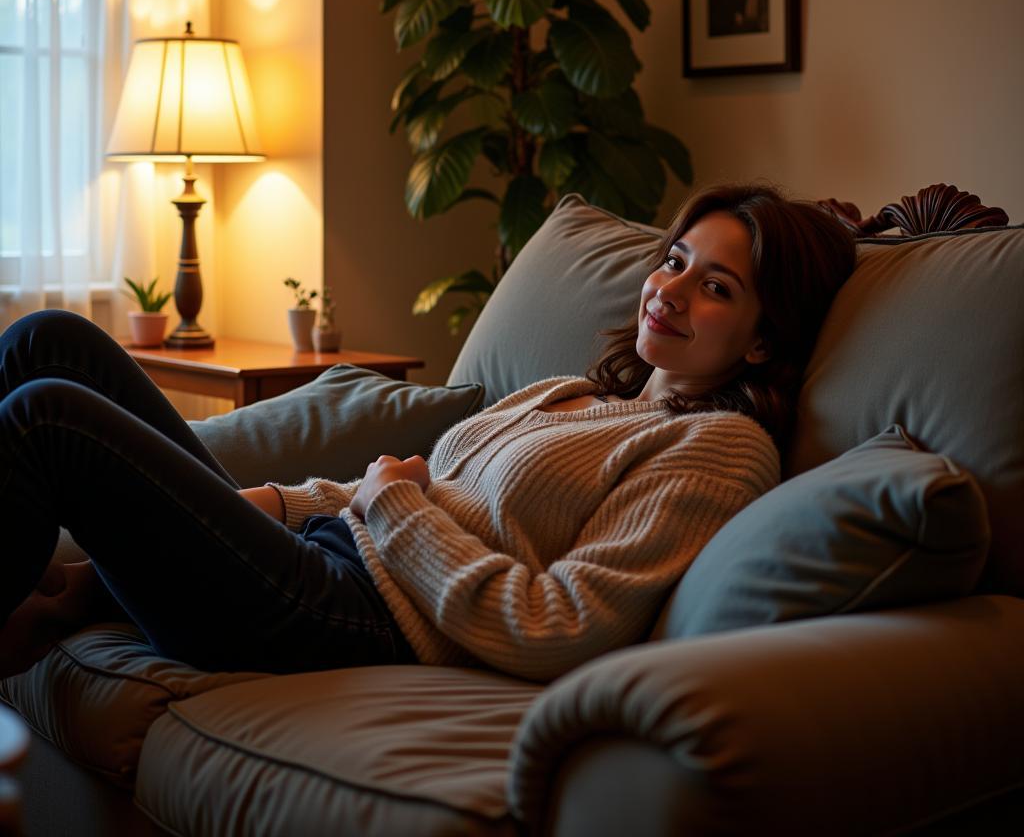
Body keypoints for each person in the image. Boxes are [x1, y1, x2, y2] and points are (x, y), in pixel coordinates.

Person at [0, 184, 856, 684]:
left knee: (48, 416)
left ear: (763, 338)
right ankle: (70, 598)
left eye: (716, 287)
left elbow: (561, 624)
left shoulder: (720, 446)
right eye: (672, 261)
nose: (668, 292)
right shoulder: (575, 393)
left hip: (349, 615)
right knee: (48, 340)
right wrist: (270, 503)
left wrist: (399, 508)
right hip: (319, 553)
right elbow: (386, 491)